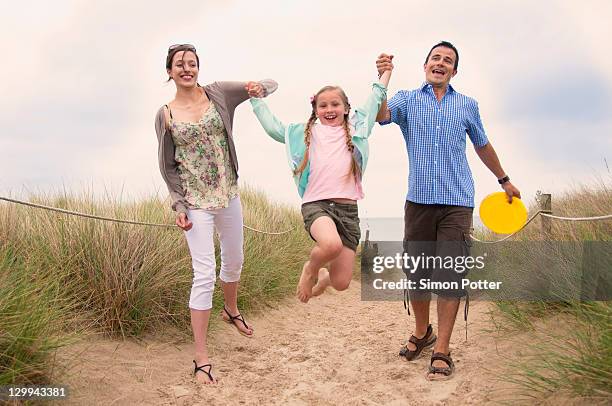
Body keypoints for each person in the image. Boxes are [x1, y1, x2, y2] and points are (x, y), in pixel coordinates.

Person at [375, 41, 521, 381]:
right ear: (426, 66)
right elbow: (381, 115)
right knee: (419, 275)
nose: (441, 63)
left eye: (448, 60)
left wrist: (504, 180)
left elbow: (482, 144)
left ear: (454, 71)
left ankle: (442, 348)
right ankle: (422, 331)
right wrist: (383, 77)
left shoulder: (467, 105)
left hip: (458, 203)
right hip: (418, 203)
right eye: (435, 58)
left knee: (450, 275)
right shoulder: (407, 100)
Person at [154, 44, 277, 385]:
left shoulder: (219, 93)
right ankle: (202, 356)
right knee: (204, 274)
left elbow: (270, 83)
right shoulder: (165, 113)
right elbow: (167, 166)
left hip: (228, 195)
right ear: (169, 71)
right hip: (194, 203)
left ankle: (231, 309)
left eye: (192, 63)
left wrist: (258, 88)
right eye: (180, 64)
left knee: (235, 260)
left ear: (198, 68)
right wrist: (178, 205)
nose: (186, 68)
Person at [249, 58, 392, 304]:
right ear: (315, 110)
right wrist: (256, 100)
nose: (329, 109)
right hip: (317, 204)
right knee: (330, 245)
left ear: (347, 108)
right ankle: (311, 269)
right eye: (323, 105)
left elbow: (376, 97)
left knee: (341, 282)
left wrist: (386, 72)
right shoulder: (307, 133)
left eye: (335, 104)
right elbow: (274, 128)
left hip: (348, 210)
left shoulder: (358, 127)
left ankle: (325, 277)